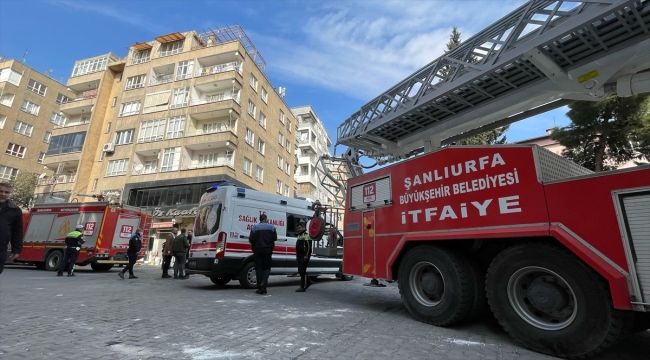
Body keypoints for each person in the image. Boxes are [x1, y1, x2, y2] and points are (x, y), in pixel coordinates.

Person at [248, 214, 277, 295]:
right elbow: (275, 238)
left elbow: (251, 240)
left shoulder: (254, 228)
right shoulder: (272, 227)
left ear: (260, 219)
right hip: (267, 250)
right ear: (266, 219)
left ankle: (260, 288)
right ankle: (264, 283)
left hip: (257, 250)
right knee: (267, 268)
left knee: (259, 269)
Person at [0, 182, 23, 276]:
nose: (3, 194)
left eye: (6, 192)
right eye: (0, 191)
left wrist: (16, 249)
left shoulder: (15, 210)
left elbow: (17, 231)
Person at [295, 222, 313, 292]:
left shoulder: (306, 235)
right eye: (297, 228)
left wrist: (306, 255)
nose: (298, 229)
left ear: (303, 228)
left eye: (299, 228)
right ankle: (309, 281)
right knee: (300, 270)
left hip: (304, 255)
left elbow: (308, 246)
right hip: (299, 255)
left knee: (302, 270)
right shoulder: (299, 235)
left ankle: (303, 286)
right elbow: (297, 247)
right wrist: (297, 255)